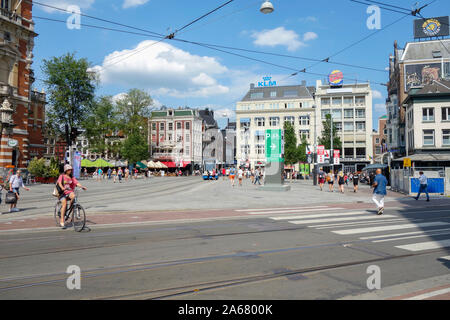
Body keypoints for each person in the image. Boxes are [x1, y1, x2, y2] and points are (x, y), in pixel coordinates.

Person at [56, 165, 87, 229]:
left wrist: (82, 187)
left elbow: (76, 183)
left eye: (71, 170)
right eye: (69, 170)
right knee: (64, 203)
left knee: (73, 196)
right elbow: (59, 183)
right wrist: (62, 188)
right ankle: (62, 220)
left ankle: (69, 210)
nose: (70, 171)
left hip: (69, 192)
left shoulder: (72, 177)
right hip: (62, 193)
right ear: (66, 170)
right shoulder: (62, 176)